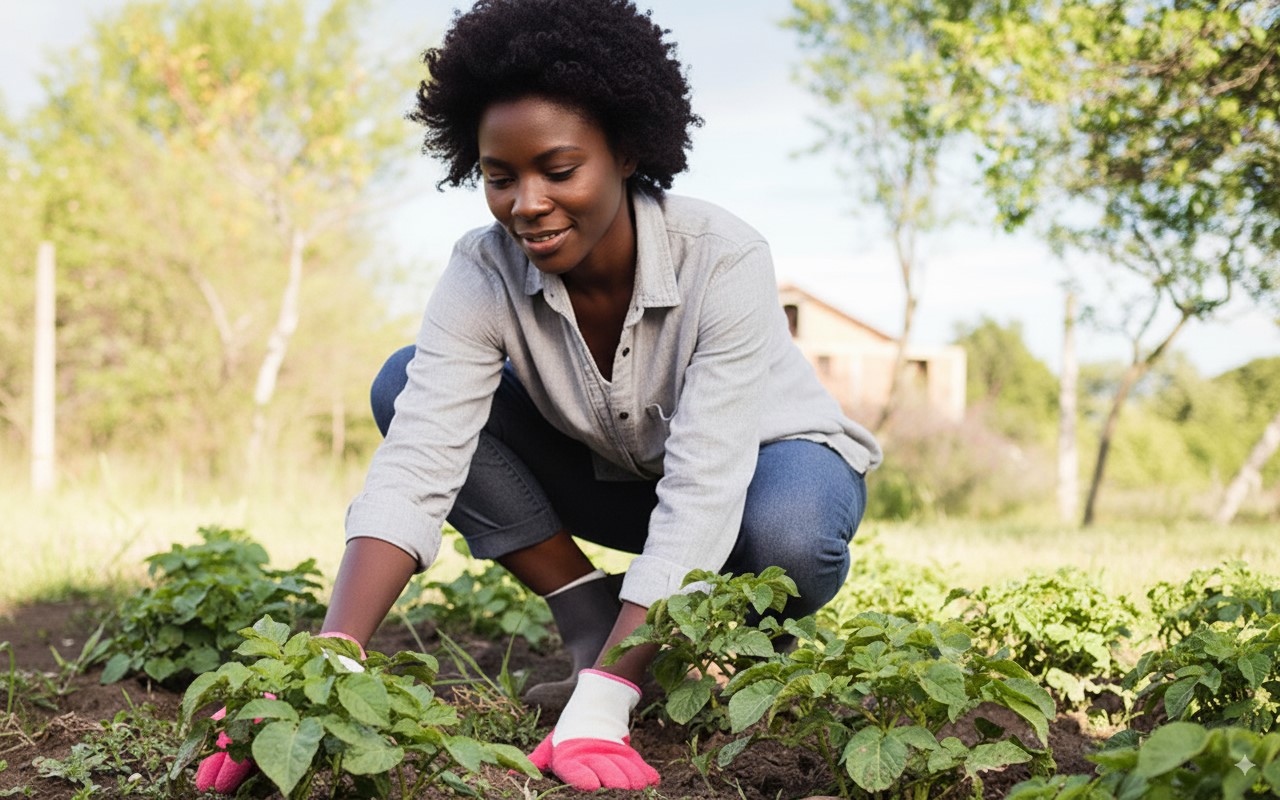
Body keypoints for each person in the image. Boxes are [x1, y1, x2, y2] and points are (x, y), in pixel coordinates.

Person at [200, 0, 881, 793]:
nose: (526, 202)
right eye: (499, 177)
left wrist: (604, 704)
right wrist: (324, 660)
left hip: (766, 472)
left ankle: (725, 650)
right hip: (617, 482)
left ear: (626, 153)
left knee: (790, 534)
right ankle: (593, 619)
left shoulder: (721, 258)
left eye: (559, 171)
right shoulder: (482, 271)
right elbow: (419, 460)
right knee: (402, 380)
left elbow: (707, 484)